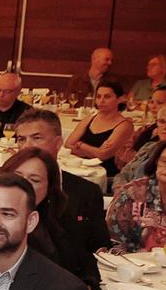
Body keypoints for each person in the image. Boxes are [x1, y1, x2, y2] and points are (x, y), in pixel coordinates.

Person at [0, 147, 103, 290]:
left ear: (49, 187)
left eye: (34, 180)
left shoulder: (59, 216)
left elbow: (86, 262)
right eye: (16, 176)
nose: (23, 185)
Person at [7, 107, 114, 253]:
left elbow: (99, 250)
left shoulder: (86, 193)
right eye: (21, 139)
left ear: (58, 143)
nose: (27, 146)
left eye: (37, 138)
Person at [114, 103, 166, 190]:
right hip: (125, 194)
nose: (165, 127)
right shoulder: (149, 146)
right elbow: (123, 174)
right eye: (161, 121)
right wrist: (119, 188)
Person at [68, 80, 135, 169]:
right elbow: (68, 145)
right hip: (80, 167)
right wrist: (95, 152)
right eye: (98, 96)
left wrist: (80, 145)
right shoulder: (88, 119)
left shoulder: (124, 125)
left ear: (119, 99)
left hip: (104, 172)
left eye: (107, 97)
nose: (101, 100)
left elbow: (103, 155)